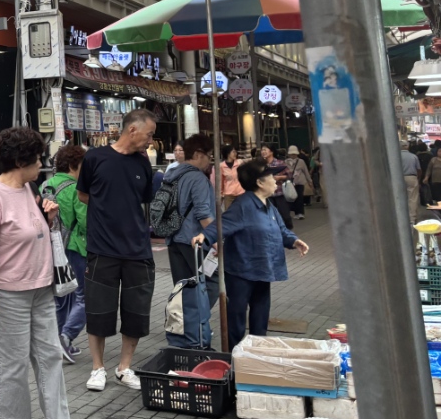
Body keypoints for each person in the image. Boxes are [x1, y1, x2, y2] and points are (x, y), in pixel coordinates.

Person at [0, 127, 92, 419]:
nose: (41, 164)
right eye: (37, 158)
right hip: (7, 294)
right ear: (19, 160)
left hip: (42, 290)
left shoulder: (30, 189)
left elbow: (35, 233)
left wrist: (49, 219)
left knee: (50, 357)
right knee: (12, 365)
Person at [76, 108, 156, 392]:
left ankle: (125, 367)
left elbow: (144, 199)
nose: (151, 140)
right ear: (132, 130)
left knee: (136, 312)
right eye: (149, 134)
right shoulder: (95, 157)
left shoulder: (143, 163)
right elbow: (84, 194)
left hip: (137, 249)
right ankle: (98, 368)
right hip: (102, 248)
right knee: (99, 311)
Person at [196, 159, 309, 349]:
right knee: (237, 317)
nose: (276, 180)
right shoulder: (243, 205)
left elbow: (281, 230)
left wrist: (294, 241)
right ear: (259, 182)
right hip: (241, 271)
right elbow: (221, 225)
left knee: (260, 315)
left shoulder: (269, 205)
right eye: (271, 176)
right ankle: (235, 356)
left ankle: (257, 353)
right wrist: (203, 236)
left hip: (263, 269)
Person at [161, 134, 218, 348]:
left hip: (173, 239)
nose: (210, 161)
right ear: (198, 154)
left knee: (184, 287)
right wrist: (216, 241)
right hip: (195, 241)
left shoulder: (171, 174)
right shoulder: (197, 178)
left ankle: (186, 333)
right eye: (209, 156)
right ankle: (195, 327)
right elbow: (204, 213)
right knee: (210, 282)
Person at [41, 145, 87, 362]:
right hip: (74, 247)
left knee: (61, 296)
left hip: (50, 247)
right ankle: (65, 338)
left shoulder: (46, 184)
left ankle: (57, 342)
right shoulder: (75, 187)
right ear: (72, 165)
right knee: (84, 297)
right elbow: (85, 221)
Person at [259, 145, 294, 228]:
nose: (263, 151)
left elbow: (290, 175)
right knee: (270, 216)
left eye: (265, 149)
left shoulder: (280, 163)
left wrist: (280, 178)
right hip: (267, 195)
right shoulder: (261, 165)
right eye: (262, 150)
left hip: (279, 193)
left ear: (271, 151)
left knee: (285, 216)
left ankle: (289, 232)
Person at [285, 146, 313, 220]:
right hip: (290, 183)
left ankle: (300, 213)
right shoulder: (286, 162)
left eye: (294, 154)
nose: (293, 155)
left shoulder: (301, 161)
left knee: (299, 198)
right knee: (290, 198)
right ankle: (292, 212)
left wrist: (309, 181)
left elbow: (306, 172)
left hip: (299, 182)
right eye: (291, 154)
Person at [213, 145, 244, 211]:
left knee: (242, 212)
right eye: (233, 152)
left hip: (241, 192)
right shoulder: (221, 166)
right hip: (229, 194)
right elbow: (220, 180)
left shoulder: (239, 162)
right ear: (228, 153)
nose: (235, 153)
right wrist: (221, 194)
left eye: (235, 151)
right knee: (229, 213)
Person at [402, 140, 422, 226]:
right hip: (411, 177)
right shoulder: (413, 157)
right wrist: (419, 179)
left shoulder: (395, 156)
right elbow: (419, 170)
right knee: (412, 198)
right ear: (408, 146)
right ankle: (412, 219)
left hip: (397, 178)